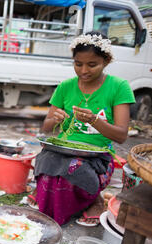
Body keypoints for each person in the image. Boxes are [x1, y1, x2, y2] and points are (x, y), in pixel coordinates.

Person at [29, 31, 135, 227]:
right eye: (78, 64)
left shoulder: (119, 87)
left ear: (106, 61)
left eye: (92, 64)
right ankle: (52, 199)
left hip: (98, 157)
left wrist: (95, 121)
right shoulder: (66, 87)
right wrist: (54, 119)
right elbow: (46, 128)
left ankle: (91, 199)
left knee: (74, 168)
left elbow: (121, 136)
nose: (84, 71)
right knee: (44, 159)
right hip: (63, 149)